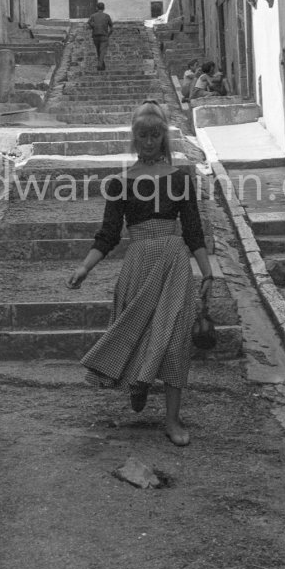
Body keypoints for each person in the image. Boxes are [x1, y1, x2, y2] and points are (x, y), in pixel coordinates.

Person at [67, 100, 214, 447]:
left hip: (174, 263)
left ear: (163, 137)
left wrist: (207, 273)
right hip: (138, 265)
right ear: (134, 138)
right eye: (142, 135)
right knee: (141, 334)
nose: (149, 141)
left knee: (176, 340)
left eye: (155, 135)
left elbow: (192, 229)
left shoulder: (180, 178)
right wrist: (84, 268)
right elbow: (108, 234)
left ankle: (173, 419)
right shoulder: (119, 183)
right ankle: (140, 382)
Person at [87, 2, 113, 71]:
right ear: (104, 8)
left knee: (99, 51)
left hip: (95, 36)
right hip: (104, 36)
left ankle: (102, 65)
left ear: (96, 8)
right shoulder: (107, 16)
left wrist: (93, 26)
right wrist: (108, 35)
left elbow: (89, 23)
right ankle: (100, 65)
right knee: (102, 51)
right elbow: (112, 27)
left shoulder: (93, 16)